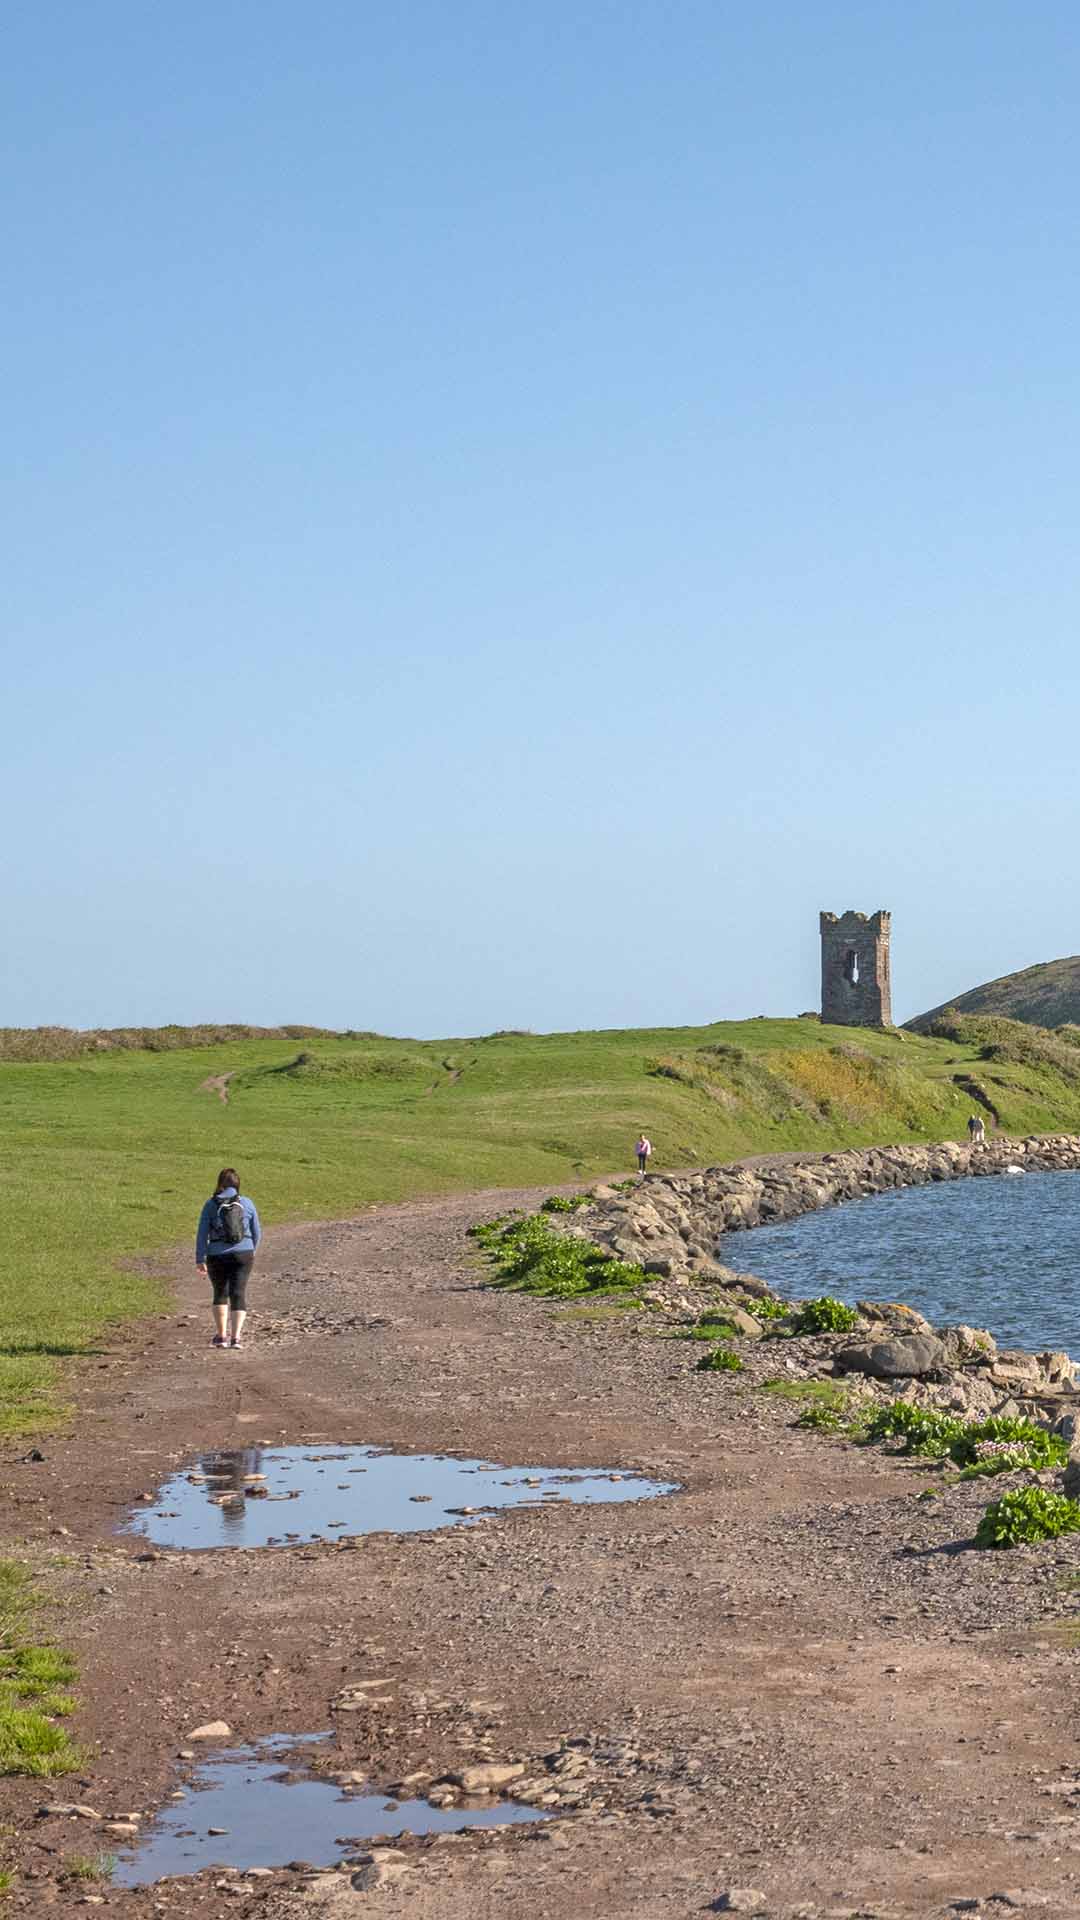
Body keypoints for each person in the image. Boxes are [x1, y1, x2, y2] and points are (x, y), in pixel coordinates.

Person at [195, 1168, 261, 1350]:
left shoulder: (210, 1204)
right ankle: (236, 1338)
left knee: (220, 1293)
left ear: (220, 1184)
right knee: (238, 1293)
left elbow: (202, 1234)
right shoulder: (247, 1203)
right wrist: (251, 1250)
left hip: (217, 1254)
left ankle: (221, 1336)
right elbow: (257, 1232)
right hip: (244, 1253)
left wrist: (200, 1258)